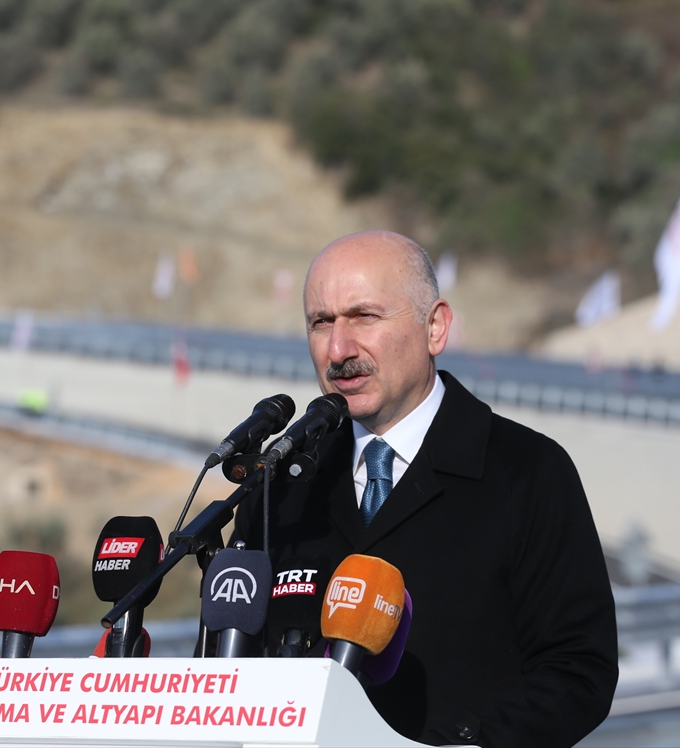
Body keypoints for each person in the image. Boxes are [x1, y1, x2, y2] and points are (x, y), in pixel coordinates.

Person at [232, 231, 617, 747]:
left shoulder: (527, 471)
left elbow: (579, 670)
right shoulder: (280, 488)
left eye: (364, 316)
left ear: (434, 327)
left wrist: (467, 744)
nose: (339, 349)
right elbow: (229, 664)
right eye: (321, 322)